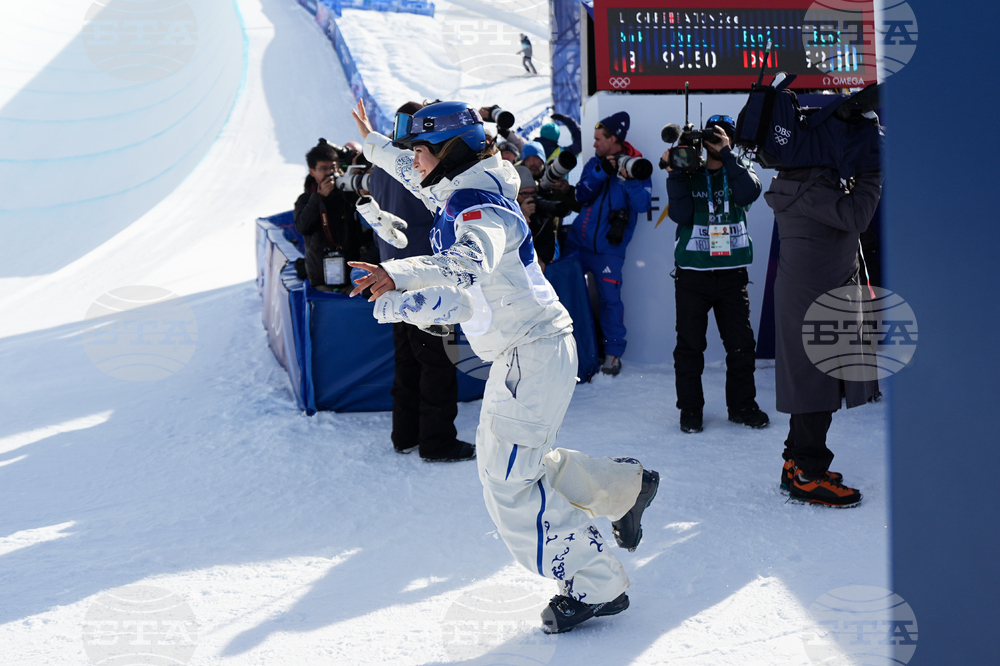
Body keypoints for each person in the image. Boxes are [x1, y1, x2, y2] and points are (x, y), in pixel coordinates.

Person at [348, 99, 659, 633]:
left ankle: (597, 584)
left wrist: (397, 275)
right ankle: (623, 488)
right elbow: (470, 303)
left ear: (449, 152)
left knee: (509, 481)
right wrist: (395, 302)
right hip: (526, 354)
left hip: (532, 354)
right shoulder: (462, 192)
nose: (413, 163)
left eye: (419, 152)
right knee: (514, 465)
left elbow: (466, 270)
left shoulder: (480, 213)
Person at [764, 167, 882, 507]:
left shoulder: (801, 184)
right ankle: (807, 473)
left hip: (814, 291)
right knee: (816, 382)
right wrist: (871, 172)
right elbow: (858, 215)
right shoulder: (813, 190)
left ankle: (795, 463)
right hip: (817, 295)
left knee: (812, 380)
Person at [367, 101, 473, 462]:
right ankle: (437, 441)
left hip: (393, 275)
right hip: (426, 277)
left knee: (407, 361)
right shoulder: (419, 170)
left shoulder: (381, 166)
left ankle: (405, 434)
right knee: (437, 364)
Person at [665, 114, 770, 434]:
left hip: (731, 275)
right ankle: (691, 411)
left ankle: (742, 406)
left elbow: (749, 193)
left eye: (720, 136)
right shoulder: (687, 171)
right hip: (693, 275)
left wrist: (727, 153)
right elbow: (681, 214)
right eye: (709, 136)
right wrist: (674, 172)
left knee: (741, 346)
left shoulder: (738, 169)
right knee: (690, 347)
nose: (712, 141)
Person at [568, 111, 652, 376]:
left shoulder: (637, 166)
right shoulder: (593, 162)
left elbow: (642, 205)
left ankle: (613, 355)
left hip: (609, 251)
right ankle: (570, 352)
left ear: (613, 139)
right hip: (578, 245)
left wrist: (627, 179)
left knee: (610, 302)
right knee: (566, 294)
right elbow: (580, 196)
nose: (593, 144)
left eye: (598, 139)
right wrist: (601, 172)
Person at [294, 138, 365, 291]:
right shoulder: (306, 199)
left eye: (333, 167)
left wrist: (351, 187)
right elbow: (302, 227)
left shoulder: (346, 193)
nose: (329, 173)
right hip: (321, 277)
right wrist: (319, 199)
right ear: (312, 171)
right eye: (323, 168)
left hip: (352, 274)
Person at [514, 165, 560, 269]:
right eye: (525, 194)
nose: (530, 198)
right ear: (515, 195)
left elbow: (548, 241)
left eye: (533, 193)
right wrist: (521, 216)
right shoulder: (506, 212)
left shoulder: (543, 212)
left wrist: (542, 259)